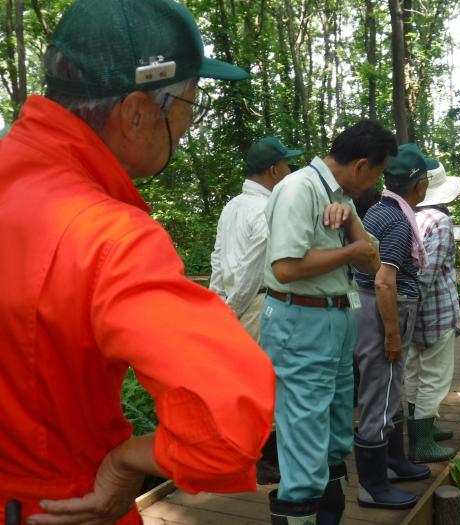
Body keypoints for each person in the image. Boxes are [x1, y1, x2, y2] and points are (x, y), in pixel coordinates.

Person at [0, 1, 275, 524]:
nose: (189, 125)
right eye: (190, 104)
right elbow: (229, 424)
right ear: (136, 113)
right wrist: (127, 462)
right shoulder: (106, 237)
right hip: (64, 508)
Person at [260, 120, 396, 524]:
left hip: (335, 319)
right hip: (300, 320)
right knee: (303, 437)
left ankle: (328, 515)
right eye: (377, 172)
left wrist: (352, 226)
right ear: (360, 165)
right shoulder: (299, 189)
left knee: (335, 432)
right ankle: (299, 508)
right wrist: (350, 252)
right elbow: (285, 268)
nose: (376, 182)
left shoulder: (340, 197)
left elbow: (371, 256)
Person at [353, 143, 440, 510]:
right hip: (383, 310)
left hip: (369, 307)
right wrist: (392, 333)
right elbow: (384, 280)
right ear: (419, 185)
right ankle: (372, 485)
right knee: (380, 390)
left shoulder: (378, 210)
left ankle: (393, 461)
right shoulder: (399, 220)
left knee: (389, 386)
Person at [210, 136, 302, 341]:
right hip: (254, 307)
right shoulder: (267, 210)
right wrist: (232, 311)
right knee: (257, 371)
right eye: (286, 164)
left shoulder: (231, 206)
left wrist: (219, 302)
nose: (289, 171)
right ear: (274, 170)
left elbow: (217, 258)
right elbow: (254, 269)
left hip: (231, 304)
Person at [406, 162, 460, 462]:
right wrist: (417, 306)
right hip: (435, 311)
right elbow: (428, 272)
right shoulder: (440, 220)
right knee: (435, 376)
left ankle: (421, 428)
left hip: (412, 312)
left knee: (415, 371)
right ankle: (422, 442)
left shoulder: (409, 215)